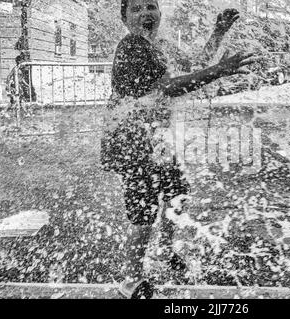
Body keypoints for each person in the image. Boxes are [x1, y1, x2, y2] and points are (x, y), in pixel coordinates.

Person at [101, 0, 257, 299]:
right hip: (130, 139)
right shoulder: (132, 45)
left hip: (152, 138)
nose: (146, 13)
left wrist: (218, 32)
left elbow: (195, 63)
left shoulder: (158, 45)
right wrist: (220, 70)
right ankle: (130, 281)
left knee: (176, 192)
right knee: (143, 211)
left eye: (151, 6)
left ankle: (164, 249)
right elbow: (167, 88)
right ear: (125, 18)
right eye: (137, 9)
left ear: (159, 13)